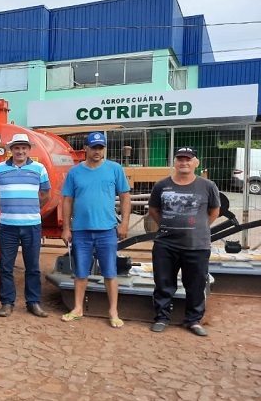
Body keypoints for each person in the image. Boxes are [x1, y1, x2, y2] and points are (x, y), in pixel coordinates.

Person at [61, 131, 131, 327]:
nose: (97, 151)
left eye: (101, 148)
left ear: (104, 149)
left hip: (107, 230)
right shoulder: (74, 172)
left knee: (110, 272)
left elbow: (125, 196)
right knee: (80, 271)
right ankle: (78, 308)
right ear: (86, 148)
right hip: (81, 230)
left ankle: (113, 311)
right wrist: (66, 228)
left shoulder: (114, 169)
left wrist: (124, 223)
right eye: (94, 148)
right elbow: (67, 200)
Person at [148, 147, 219, 337]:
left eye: (188, 159)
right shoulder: (161, 185)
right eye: (180, 159)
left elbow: (214, 211)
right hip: (165, 244)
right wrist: (168, 225)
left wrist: (199, 228)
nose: (184, 163)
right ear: (174, 162)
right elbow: (153, 210)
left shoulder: (208, 186)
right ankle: (162, 318)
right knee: (163, 283)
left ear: (196, 162)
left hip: (197, 246)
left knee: (196, 285)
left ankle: (193, 320)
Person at [0, 133, 51, 318]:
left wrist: (32, 209)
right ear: (11, 150)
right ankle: (7, 303)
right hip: (8, 225)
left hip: (32, 225)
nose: (20, 151)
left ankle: (33, 302)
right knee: (6, 266)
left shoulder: (39, 168)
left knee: (33, 267)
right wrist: (5, 207)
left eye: (24, 148)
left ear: (29, 150)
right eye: (17, 148)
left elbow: (46, 194)